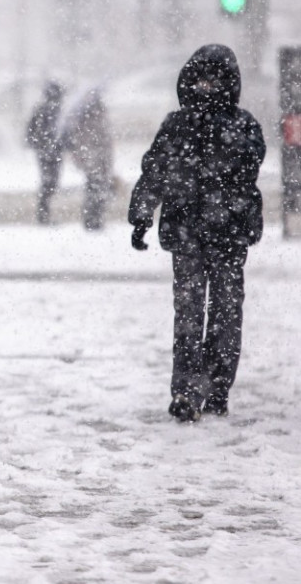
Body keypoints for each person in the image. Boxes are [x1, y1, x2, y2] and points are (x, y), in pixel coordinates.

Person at [128, 44, 264, 423]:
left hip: (225, 235)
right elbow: (154, 172)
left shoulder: (241, 126)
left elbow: (247, 172)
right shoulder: (178, 125)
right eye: (200, 79)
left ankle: (216, 386)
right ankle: (188, 389)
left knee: (224, 313)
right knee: (189, 315)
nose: (207, 87)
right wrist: (141, 214)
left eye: (215, 80)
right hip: (190, 234)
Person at [61, 87, 114, 231]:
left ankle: (94, 219)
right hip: (95, 161)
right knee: (95, 190)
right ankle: (93, 220)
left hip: (95, 161)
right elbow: (94, 142)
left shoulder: (87, 120)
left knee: (96, 190)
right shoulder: (89, 121)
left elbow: (102, 142)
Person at [25, 81, 65, 225]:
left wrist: (38, 143)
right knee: (50, 183)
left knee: (48, 183)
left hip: (47, 151)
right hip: (51, 151)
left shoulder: (43, 110)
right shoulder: (56, 112)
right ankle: (43, 215)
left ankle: (43, 214)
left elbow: (29, 133)